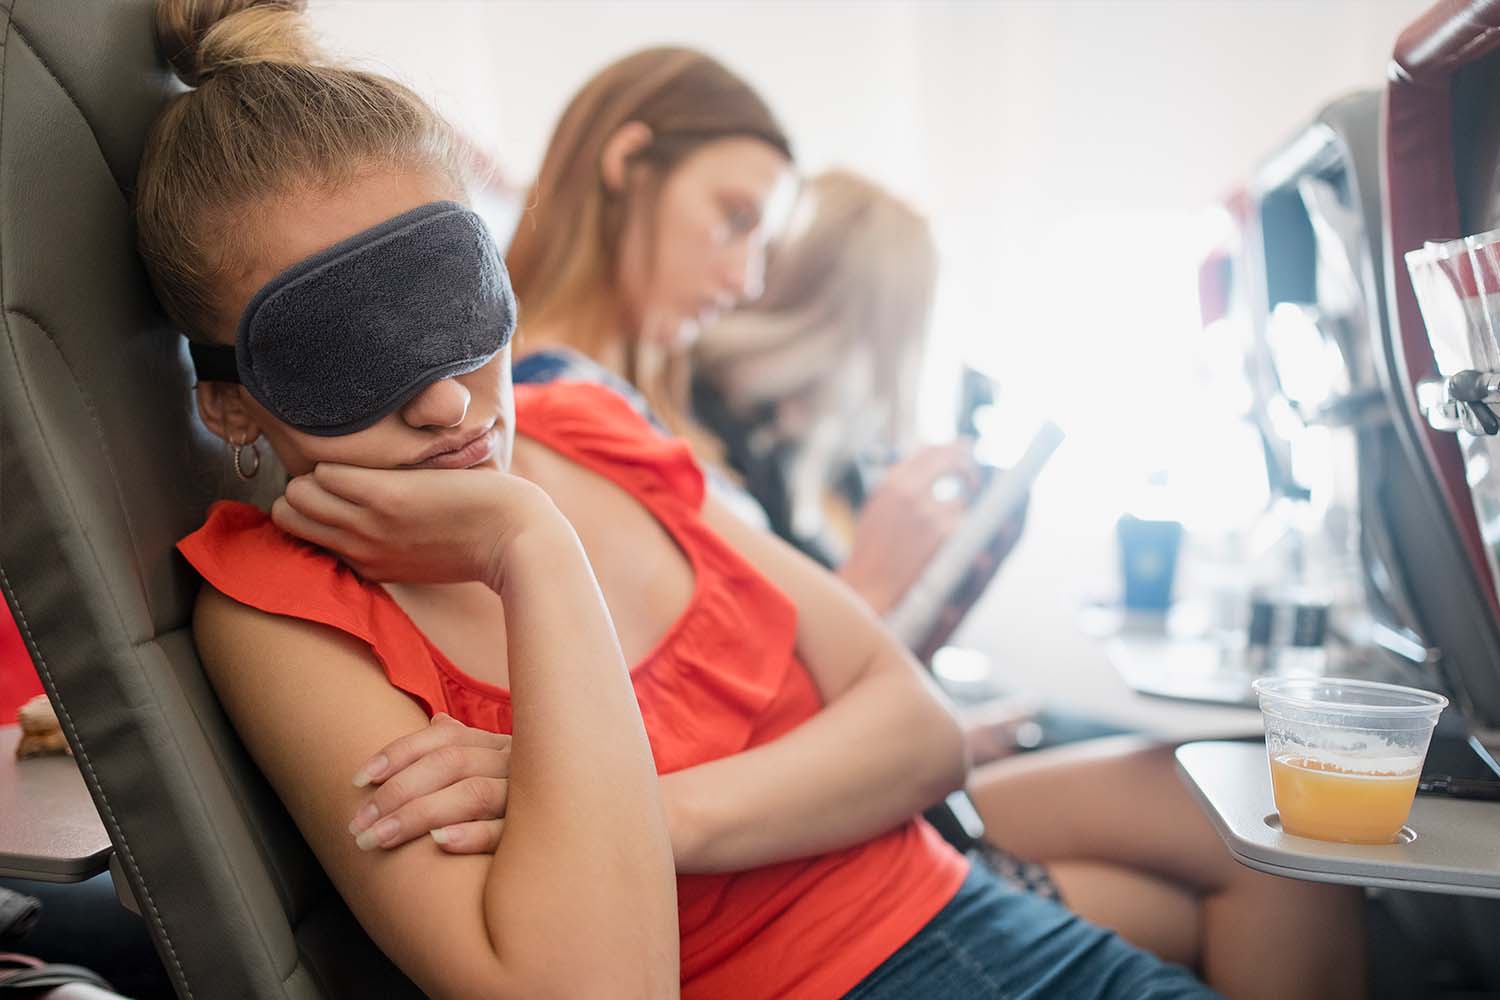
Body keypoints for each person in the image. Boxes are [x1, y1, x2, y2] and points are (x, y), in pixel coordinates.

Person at [140, 6, 1360, 999]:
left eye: (454, 311)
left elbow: (919, 731)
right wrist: (530, 546)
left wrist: (616, 806)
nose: (450, 404)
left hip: (974, 908)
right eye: (349, 354)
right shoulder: (280, 613)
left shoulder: (588, 428)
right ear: (233, 405)